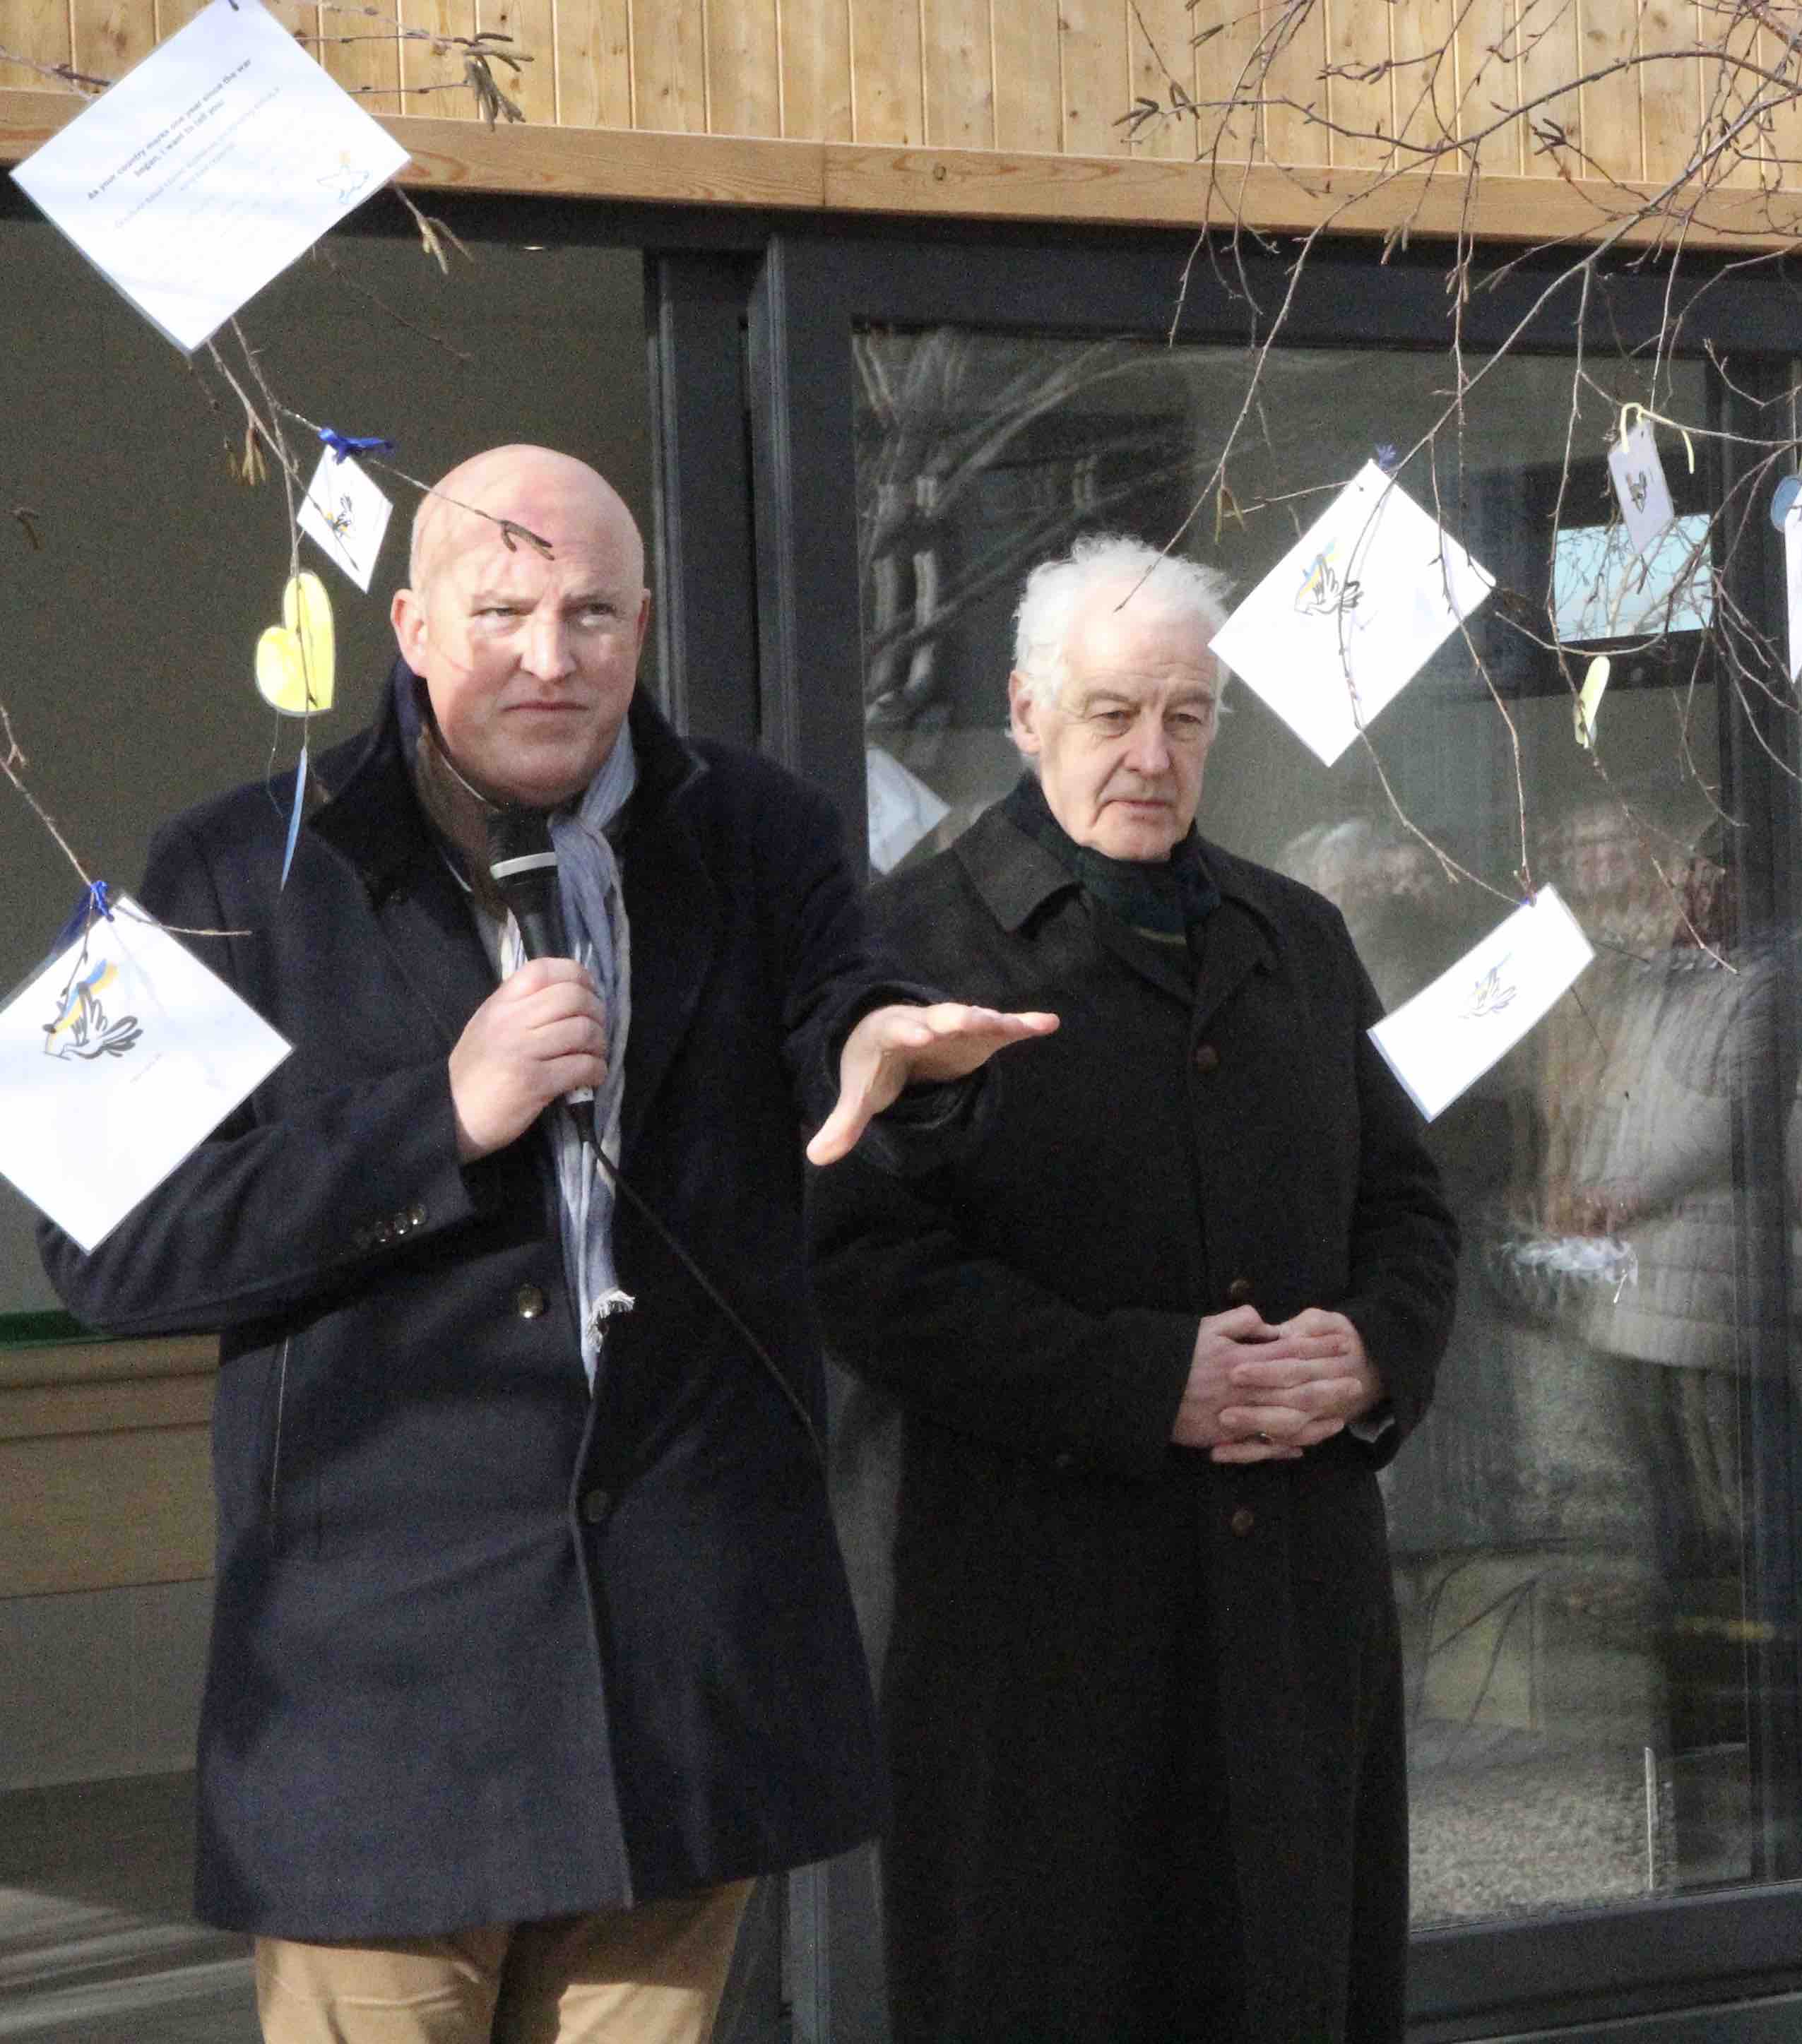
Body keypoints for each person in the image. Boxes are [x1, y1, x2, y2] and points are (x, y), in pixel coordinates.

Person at [40, 445, 1052, 2044]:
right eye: (501, 607)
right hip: (378, 1705)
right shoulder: (230, 867)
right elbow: (91, 1241)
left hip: (680, 1672)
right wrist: (436, 1114)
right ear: (412, 623)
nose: (549, 653)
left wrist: (890, 1056)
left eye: (591, 611)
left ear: (642, 628)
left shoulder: (762, 829)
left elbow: (839, 1015)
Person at [809, 533, 1458, 2043]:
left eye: (1186, 715)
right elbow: (858, 1269)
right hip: (1038, 1626)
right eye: (1112, 714)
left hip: (1290, 1614)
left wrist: (1368, 1355)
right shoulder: (911, 946)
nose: (1150, 755)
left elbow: (1413, 1205)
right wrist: (1141, 1377)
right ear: (1027, 712)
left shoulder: (1294, 935)